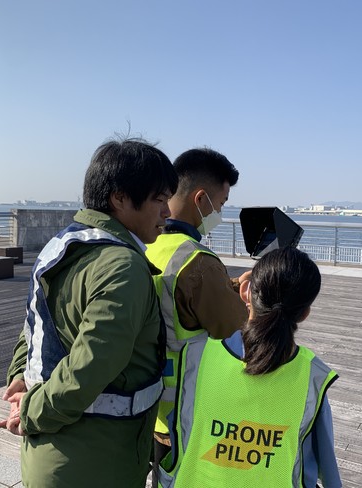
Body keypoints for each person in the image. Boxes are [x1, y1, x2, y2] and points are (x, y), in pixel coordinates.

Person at [0, 137, 178, 488]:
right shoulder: (123, 266)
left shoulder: (63, 245)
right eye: (159, 199)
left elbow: (34, 324)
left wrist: (19, 379)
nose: (167, 212)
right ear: (119, 198)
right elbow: (89, 368)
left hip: (52, 456)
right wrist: (29, 413)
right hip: (95, 462)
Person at [158, 247, 342, 487]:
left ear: (245, 292)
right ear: (304, 313)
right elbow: (327, 471)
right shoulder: (312, 377)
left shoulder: (195, 357)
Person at [144, 147, 250, 480]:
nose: (219, 211)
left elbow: (174, 295)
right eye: (220, 204)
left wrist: (227, 285)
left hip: (146, 404)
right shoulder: (197, 261)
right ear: (200, 199)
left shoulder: (144, 245)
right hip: (185, 414)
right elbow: (235, 327)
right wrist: (246, 299)